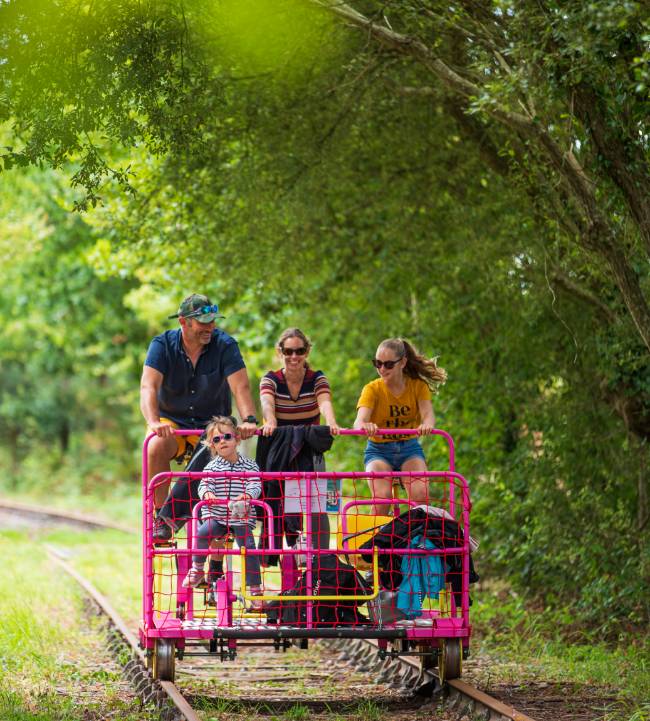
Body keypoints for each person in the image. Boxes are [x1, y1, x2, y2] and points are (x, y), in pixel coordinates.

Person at [140, 293, 259, 542]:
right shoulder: (162, 345)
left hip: (212, 423)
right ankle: (160, 517)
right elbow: (148, 387)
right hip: (173, 422)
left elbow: (240, 387)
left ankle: (171, 519)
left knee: (220, 439)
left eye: (212, 321)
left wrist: (249, 418)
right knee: (154, 444)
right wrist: (153, 422)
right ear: (184, 322)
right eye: (204, 322)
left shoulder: (225, 345)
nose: (210, 327)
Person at [259, 328, 339, 551]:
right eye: (289, 351)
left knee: (317, 503)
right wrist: (271, 421)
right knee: (280, 502)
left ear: (307, 352)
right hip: (281, 451)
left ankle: (321, 557)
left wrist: (331, 421)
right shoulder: (271, 379)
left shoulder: (316, 378)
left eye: (300, 351)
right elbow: (267, 402)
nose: (294, 357)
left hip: (310, 449)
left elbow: (324, 402)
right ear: (280, 352)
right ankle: (288, 554)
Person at [353, 337, 447, 515]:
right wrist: (366, 426)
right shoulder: (372, 389)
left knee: (420, 496)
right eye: (377, 363)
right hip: (378, 450)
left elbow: (428, 414)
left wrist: (426, 425)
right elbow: (359, 421)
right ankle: (377, 540)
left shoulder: (417, 386)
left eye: (388, 364)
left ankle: (416, 539)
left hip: (409, 448)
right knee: (382, 498)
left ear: (402, 362)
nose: (382, 369)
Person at [182, 416, 263, 605]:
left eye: (226, 437)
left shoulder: (249, 464)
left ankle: (255, 590)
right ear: (213, 446)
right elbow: (204, 485)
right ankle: (197, 569)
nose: (222, 442)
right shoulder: (212, 467)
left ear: (237, 438)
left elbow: (255, 483)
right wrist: (207, 493)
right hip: (217, 515)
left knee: (249, 547)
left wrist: (248, 495)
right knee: (203, 532)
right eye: (216, 440)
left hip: (240, 516)